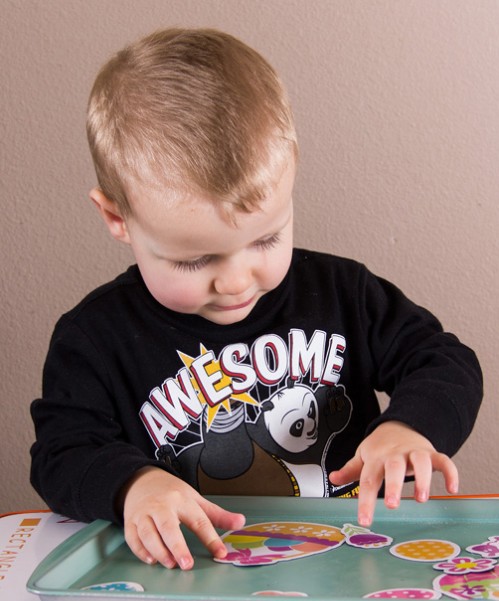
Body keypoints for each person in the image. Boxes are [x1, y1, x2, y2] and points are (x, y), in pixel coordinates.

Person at [30, 28, 483, 571]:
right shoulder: (94, 338)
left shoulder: (343, 292)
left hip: (353, 560)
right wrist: (133, 485)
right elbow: (61, 453)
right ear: (116, 219)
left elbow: (445, 361)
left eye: (266, 239)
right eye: (195, 260)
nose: (236, 281)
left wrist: (408, 427)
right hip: (194, 576)